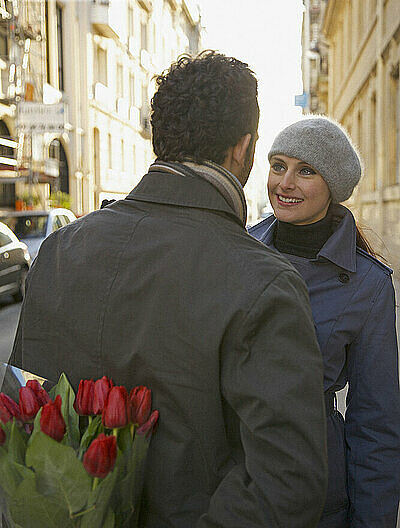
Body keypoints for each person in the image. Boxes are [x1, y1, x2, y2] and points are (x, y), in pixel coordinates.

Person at [9, 52, 328, 527]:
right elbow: (286, 485)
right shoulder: (264, 282)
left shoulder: (60, 249)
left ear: (161, 138)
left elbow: (22, 421)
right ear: (243, 148)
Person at [250, 116, 400, 528]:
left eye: (306, 170)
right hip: (230, 478)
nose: (285, 183)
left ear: (333, 186)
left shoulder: (368, 284)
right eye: (278, 165)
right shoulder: (237, 252)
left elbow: (376, 426)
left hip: (314, 485)